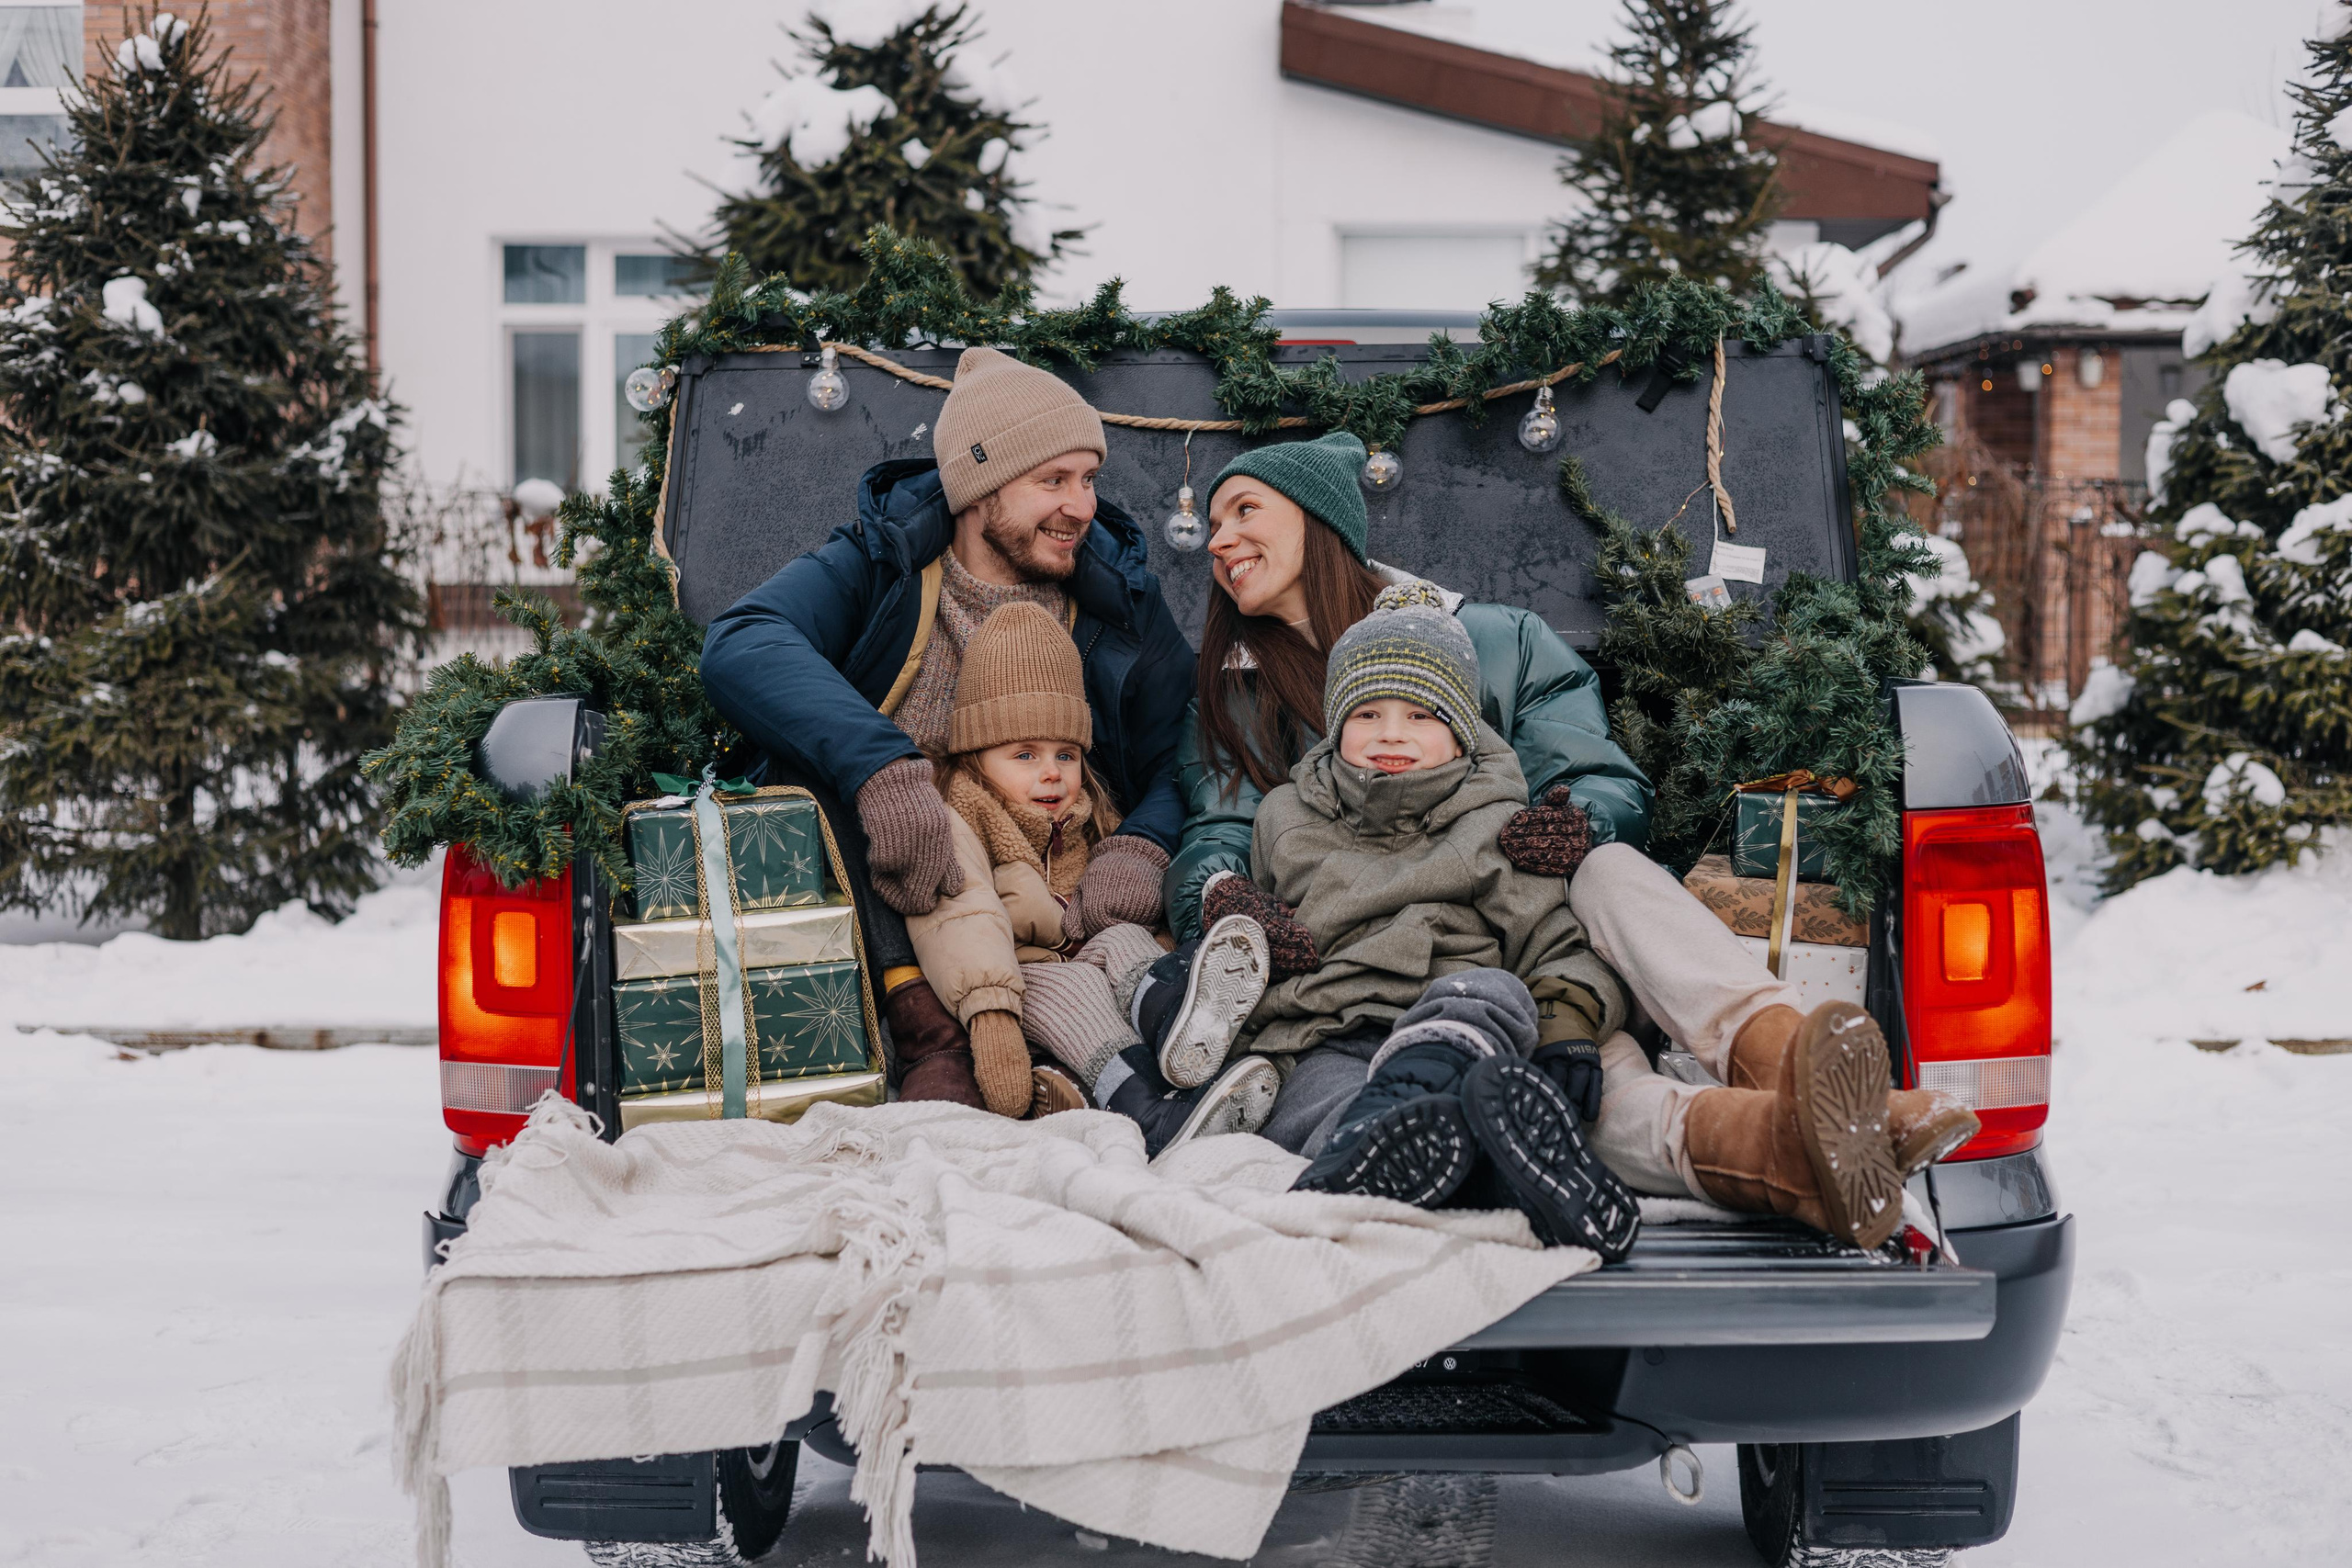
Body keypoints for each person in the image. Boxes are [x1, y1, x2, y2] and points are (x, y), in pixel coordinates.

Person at [1169, 433, 1977, 1250]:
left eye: (1243, 511)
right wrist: (1223, 896)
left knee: (1608, 877)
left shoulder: (1497, 641)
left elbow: (1602, 781)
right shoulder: (1236, 695)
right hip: (1356, 1003)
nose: (1217, 539)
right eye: (1209, 522)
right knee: (1608, 1112)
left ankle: (1796, 1064)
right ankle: (1804, 1160)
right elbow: (1221, 830)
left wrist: (1572, 826)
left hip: (1517, 971)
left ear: (1320, 522)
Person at [701, 348, 1195, 1110]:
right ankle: (928, 1033)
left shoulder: (1118, 599)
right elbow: (743, 640)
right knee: (810, 771)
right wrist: (884, 768)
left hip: (1061, 905)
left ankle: (1123, 1054)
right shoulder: (881, 564)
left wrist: (1142, 842)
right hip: (903, 897)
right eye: (1052, 481)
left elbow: (1182, 754)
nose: (1083, 507)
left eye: (1088, 479)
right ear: (978, 488)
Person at [1195, 581, 1643, 1258]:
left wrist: (1571, 1023)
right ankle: (1487, 1171)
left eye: (1421, 715)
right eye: (1367, 714)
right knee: (1321, 1101)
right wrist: (1241, 915)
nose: (1391, 735)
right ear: (1337, 723)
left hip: (1458, 1018)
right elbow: (1253, 936)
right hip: (1330, 1030)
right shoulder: (1286, 818)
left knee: (1489, 994)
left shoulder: (1498, 824)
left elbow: (1557, 944)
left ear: (1462, 729)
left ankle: (1400, 1139)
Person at [902, 601, 1278, 1150]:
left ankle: (1179, 1014)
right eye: (1024, 754)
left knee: (1124, 936)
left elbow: (1132, 909)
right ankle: (1147, 1111)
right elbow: (961, 919)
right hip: (1020, 982)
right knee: (1072, 986)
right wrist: (991, 1018)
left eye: (1067, 754)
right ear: (977, 757)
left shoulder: (1092, 817)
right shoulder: (958, 815)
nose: (1052, 772)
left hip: (1103, 975)